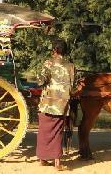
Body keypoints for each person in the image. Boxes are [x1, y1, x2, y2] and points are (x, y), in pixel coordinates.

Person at [36, 39, 74, 171]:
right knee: (58, 132)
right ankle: (57, 163)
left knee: (44, 131)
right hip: (62, 104)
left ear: (54, 50)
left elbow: (40, 81)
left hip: (47, 103)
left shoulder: (48, 63)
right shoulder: (70, 66)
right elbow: (72, 85)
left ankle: (43, 159)